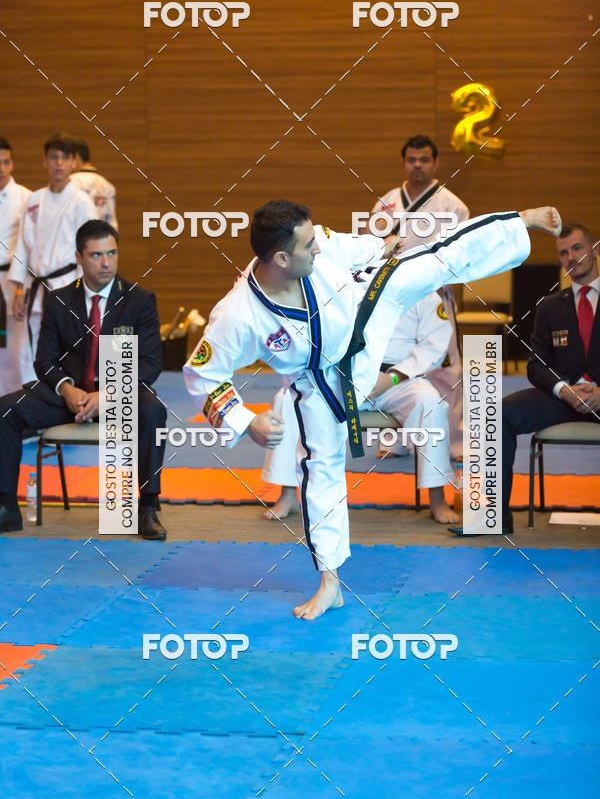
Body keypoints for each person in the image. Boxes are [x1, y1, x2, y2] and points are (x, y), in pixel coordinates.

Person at [183, 199, 561, 620]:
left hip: (366, 312)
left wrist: (380, 246)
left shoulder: (319, 246)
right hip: (322, 380)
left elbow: (341, 245)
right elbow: (202, 375)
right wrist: (245, 419)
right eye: (308, 246)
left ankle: (516, 221)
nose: (319, 248)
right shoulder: (237, 315)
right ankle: (330, 581)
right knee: (320, 468)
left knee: (433, 259)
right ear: (281, 258)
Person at [0, 219, 167, 539]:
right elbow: (44, 361)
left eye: (112, 253)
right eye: (96, 255)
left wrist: (109, 395)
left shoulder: (139, 300)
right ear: (79, 257)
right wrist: (67, 389)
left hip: (119, 396)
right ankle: (7, 507)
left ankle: (147, 508)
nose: (106, 262)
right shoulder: (59, 299)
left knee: (153, 410)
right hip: (70, 397)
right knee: (6, 410)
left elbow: (150, 364)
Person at [262, 290, 458, 524]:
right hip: (340, 375)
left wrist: (394, 377)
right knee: (286, 400)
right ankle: (287, 493)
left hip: (398, 380)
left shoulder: (422, 289)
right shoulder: (339, 282)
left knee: (430, 404)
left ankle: (437, 496)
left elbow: (432, 346)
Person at [369, 134, 469, 459]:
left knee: (444, 368)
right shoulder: (386, 203)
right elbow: (372, 249)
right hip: (394, 298)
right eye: (412, 159)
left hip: (434, 296)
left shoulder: (452, 206)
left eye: (424, 159)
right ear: (403, 162)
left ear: (435, 163)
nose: (417, 165)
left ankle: (452, 443)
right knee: (392, 364)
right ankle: (394, 440)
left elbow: (462, 258)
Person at [501, 223, 600, 533]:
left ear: (594, 250)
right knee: (499, 413)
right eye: (563, 253)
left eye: (577, 248)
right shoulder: (548, 307)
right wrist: (564, 390)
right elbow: (536, 365)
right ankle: (494, 518)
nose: (571, 257)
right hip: (564, 398)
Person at [6, 132, 97, 382]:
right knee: (27, 348)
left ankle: (62, 401)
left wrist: (85, 292)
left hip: (67, 284)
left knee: (65, 348)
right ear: (44, 161)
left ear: (74, 162)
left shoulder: (82, 202)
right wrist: (18, 290)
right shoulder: (34, 200)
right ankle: (30, 402)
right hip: (35, 286)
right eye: (54, 157)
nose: (59, 163)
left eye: (65, 158)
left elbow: (89, 251)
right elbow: (24, 247)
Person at [0, 137, 31, 395]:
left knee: (15, 347)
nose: (1, 168)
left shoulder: (26, 198)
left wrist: (21, 288)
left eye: (6, 162)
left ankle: (15, 404)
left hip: (11, 279)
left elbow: (27, 245)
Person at [72, 137, 118, 229]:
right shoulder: (108, 186)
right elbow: (112, 224)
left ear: (76, 157)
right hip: (103, 240)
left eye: (66, 157)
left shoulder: (70, 183)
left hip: (77, 240)